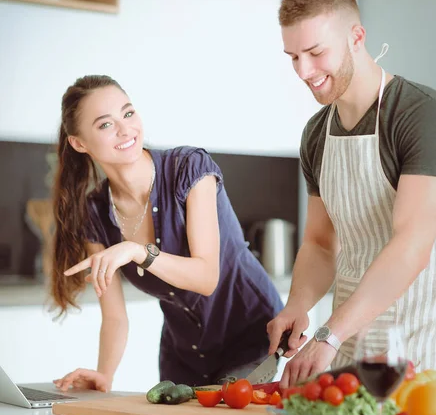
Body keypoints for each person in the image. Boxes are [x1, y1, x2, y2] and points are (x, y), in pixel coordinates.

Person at [50, 75, 283, 392]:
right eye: (105, 125)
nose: (125, 129)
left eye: (128, 113)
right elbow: (115, 316)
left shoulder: (189, 168)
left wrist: (137, 251)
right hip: (183, 353)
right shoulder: (95, 213)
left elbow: (206, 277)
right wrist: (105, 374)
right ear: (79, 143)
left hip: (250, 336)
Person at [267, 0, 436, 388]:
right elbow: (322, 243)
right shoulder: (316, 134)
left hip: (422, 344)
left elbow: (413, 243)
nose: (304, 71)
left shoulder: (419, 115)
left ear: (356, 37)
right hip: (348, 351)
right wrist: (299, 305)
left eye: (316, 52)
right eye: (293, 57)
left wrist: (329, 332)